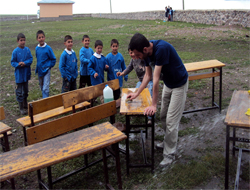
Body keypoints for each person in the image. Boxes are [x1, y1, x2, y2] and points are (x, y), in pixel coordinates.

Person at [127, 33, 189, 167]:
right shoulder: (146, 53)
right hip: (168, 83)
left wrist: (153, 105)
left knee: (171, 121)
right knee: (163, 116)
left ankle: (169, 155)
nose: (137, 58)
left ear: (144, 49)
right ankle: (169, 142)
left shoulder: (161, 49)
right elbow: (147, 75)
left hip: (179, 84)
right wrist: (136, 93)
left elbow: (155, 81)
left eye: (137, 55)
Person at [117, 45, 153, 124]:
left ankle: (150, 117)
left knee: (149, 94)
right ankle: (137, 111)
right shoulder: (133, 61)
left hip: (149, 81)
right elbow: (129, 68)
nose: (132, 54)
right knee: (136, 93)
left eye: (133, 52)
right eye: (130, 53)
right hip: (141, 81)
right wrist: (122, 73)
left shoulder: (142, 58)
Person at [11, 33, 33, 115]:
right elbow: (12, 62)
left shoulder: (27, 50)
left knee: (26, 90)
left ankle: (25, 105)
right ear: (18, 41)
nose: (23, 42)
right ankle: (21, 108)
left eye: (24, 40)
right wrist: (18, 64)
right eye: (21, 40)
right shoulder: (15, 51)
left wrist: (25, 63)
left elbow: (30, 59)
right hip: (19, 75)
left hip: (26, 74)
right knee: (19, 91)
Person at [35, 30, 56, 98]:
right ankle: (45, 98)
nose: (41, 39)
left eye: (42, 37)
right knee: (42, 86)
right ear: (37, 39)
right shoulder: (37, 48)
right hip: (40, 70)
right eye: (39, 37)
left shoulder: (48, 48)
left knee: (45, 88)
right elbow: (38, 59)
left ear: (44, 37)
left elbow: (53, 59)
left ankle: (45, 102)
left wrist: (49, 66)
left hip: (46, 70)